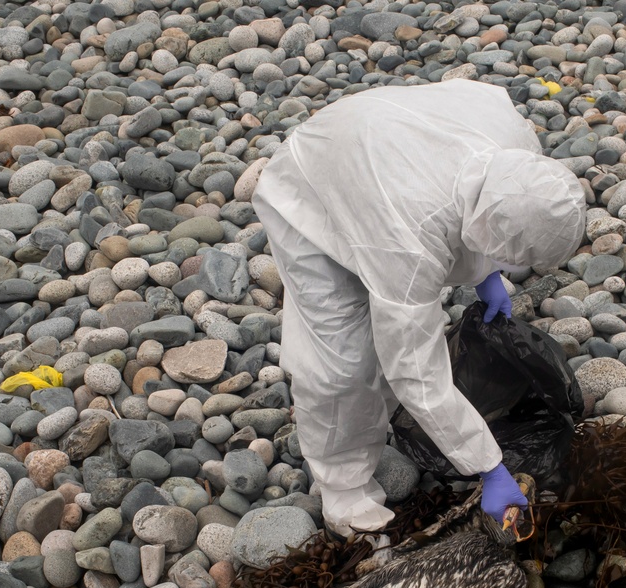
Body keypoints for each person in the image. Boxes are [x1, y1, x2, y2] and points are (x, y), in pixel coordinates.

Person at [251, 79, 587, 537]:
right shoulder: (411, 239)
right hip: (313, 186)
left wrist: (486, 274)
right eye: (514, 258)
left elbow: (489, 212)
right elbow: (415, 369)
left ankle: (378, 415)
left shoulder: (520, 153)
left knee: (391, 334)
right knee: (341, 363)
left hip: (381, 142)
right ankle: (344, 487)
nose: (514, 266)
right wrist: (488, 467)